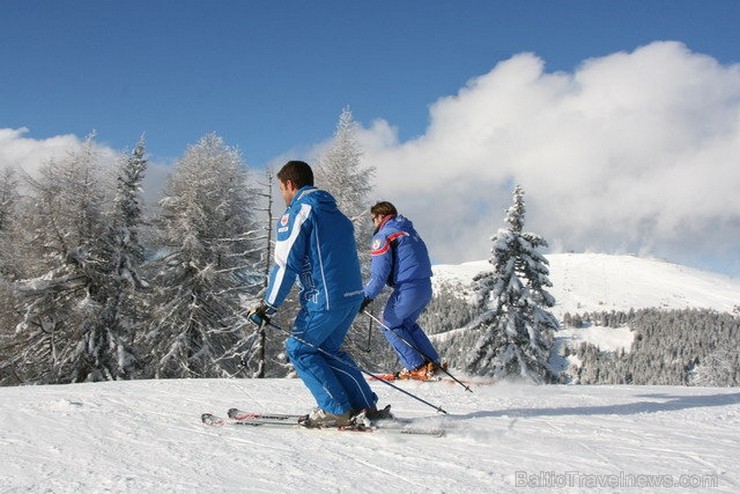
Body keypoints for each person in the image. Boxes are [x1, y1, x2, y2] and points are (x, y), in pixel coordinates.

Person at [247, 160, 378, 428]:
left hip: (325, 298)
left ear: (289, 184)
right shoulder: (337, 214)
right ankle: (365, 404)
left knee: (300, 349)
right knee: (329, 350)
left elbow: (286, 264)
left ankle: (335, 409)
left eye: (281, 189)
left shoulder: (299, 212)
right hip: (351, 295)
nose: (283, 195)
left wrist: (268, 306)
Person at [360, 201, 443, 380]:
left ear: (381, 217)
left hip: (407, 289)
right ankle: (433, 362)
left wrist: (365, 297)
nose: (373, 224)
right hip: (424, 287)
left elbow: (379, 276)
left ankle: (416, 366)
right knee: (406, 324)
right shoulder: (409, 232)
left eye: (373, 219)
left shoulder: (384, 236)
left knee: (388, 323)